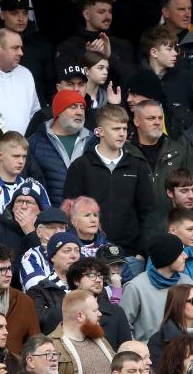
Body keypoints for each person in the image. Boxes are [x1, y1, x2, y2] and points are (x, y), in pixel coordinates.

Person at [63, 104, 154, 259]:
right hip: (89, 254)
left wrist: (142, 251)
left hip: (130, 254)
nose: (121, 134)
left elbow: (148, 212)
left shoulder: (138, 166)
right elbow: (69, 211)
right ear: (100, 131)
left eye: (124, 129)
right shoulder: (80, 166)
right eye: (115, 129)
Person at [47, 289, 114, 374]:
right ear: (80, 316)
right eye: (94, 310)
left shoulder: (101, 340)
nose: (100, 314)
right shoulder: (50, 346)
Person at [121, 232, 192, 341]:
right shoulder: (135, 287)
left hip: (183, 350)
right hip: (148, 355)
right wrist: (139, 351)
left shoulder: (187, 282)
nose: (185, 256)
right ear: (167, 256)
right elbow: (123, 327)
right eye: (180, 253)